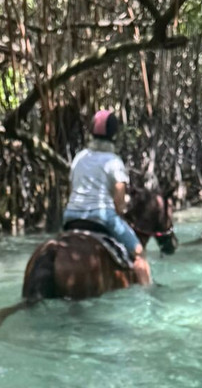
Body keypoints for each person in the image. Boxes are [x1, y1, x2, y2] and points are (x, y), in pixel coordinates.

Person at [62, 110, 152, 285]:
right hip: (102, 218)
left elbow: (72, 190)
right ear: (114, 134)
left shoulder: (79, 158)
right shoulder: (114, 162)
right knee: (139, 254)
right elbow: (118, 206)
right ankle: (148, 294)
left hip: (70, 217)